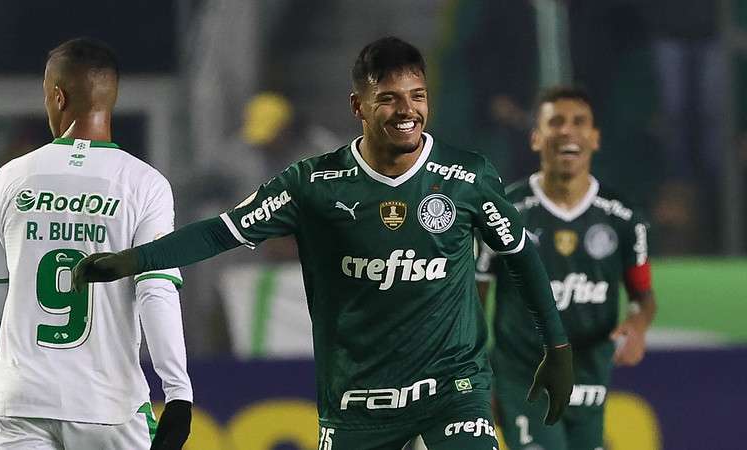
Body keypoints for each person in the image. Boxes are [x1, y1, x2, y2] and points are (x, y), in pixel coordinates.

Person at [73, 36, 573, 450]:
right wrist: (135, 259)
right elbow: (220, 231)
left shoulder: (466, 176)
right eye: (389, 99)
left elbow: (519, 256)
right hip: (357, 401)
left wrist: (557, 347)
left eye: (417, 96)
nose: (407, 111)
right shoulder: (312, 183)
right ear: (358, 105)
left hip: (453, 390)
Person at [0, 38, 193, 450]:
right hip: (106, 404)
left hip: (20, 401)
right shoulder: (144, 184)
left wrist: (40, 345)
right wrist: (178, 393)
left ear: (57, 96)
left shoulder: (11, 177)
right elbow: (156, 291)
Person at [475, 86, 657, 450]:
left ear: (595, 138)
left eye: (579, 122)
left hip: (589, 370)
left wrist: (637, 325)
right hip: (522, 373)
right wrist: (479, 375)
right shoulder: (504, 211)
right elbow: (474, 297)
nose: (567, 131)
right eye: (555, 122)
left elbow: (643, 295)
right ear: (536, 138)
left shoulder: (624, 218)